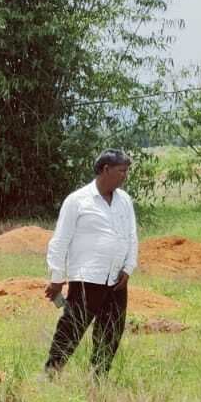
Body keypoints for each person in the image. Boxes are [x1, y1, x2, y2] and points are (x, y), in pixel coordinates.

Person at [43, 149, 139, 377]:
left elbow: (132, 235)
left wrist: (128, 268)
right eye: (121, 171)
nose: (125, 176)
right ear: (105, 170)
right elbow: (60, 241)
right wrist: (57, 279)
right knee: (71, 329)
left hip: (116, 280)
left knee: (111, 332)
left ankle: (98, 378)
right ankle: (51, 374)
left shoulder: (124, 200)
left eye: (126, 171)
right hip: (87, 279)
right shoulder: (77, 201)